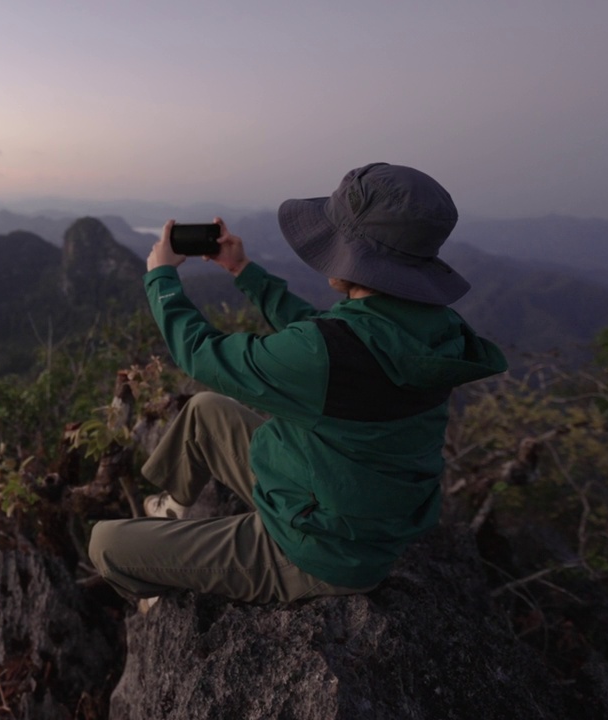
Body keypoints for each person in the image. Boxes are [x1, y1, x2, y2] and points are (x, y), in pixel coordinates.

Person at [88, 162, 508, 607]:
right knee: (204, 410)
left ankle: (157, 584)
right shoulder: (432, 327)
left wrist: (161, 277)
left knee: (106, 544)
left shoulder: (326, 354)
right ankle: (174, 508)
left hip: (320, 551)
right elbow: (328, 335)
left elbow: (201, 354)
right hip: (349, 503)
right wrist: (243, 270)